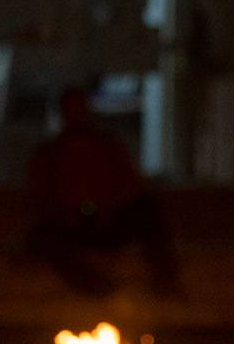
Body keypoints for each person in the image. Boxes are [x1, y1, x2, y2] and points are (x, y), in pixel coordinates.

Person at [24, 87, 182, 297]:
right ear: (63, 114)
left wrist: (108, 206)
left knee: (148, 209)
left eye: (80, 109)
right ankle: (96, 286)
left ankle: (166, 282)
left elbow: (131, 185)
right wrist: (64, 211)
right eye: (70, 110)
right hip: (69, 226)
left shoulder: (109, 147)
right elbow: (40, 196)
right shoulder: (48, 154)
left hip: (109, 221)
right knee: (42, 237)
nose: (76, 116)